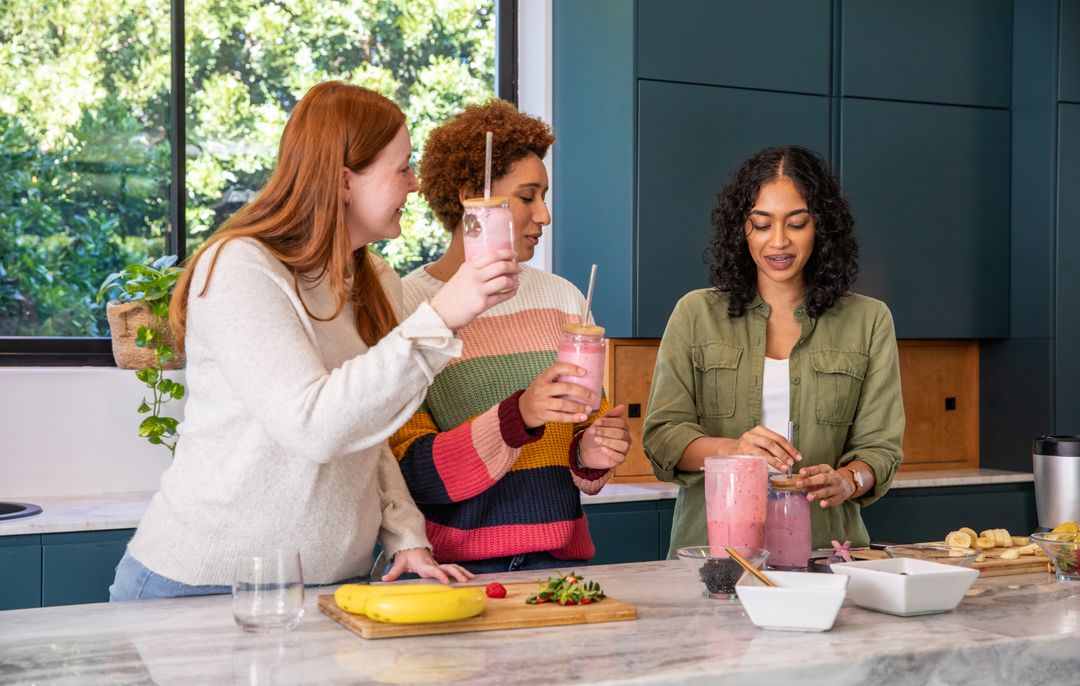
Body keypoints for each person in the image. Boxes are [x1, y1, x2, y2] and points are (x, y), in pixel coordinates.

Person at [110, 81, 520, 600]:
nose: (414, 184)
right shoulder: (242, 267)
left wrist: (404, 534)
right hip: (203, 583)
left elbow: (367, 430)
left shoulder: (376, 281)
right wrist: (439, 317)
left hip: (333, 583)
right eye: (402, 167)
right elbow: (313, 425)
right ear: (346, 180)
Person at [388, 99, 632, 574]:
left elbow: (585, 438)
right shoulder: (405, 307)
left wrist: (594, 451)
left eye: (544, 196)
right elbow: (413, 473)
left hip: (557, 568)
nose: (544, 215)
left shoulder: (563, 299)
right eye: (527, 196)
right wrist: (518, 415)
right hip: (453, 573)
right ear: (468, 196)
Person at [642, 145, 904, 554]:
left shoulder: (868, 320)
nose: (778, 242)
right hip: (714, 553)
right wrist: (733, 450)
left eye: (796, 224)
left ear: (821, 228)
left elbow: (880, 449)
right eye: (761, 225)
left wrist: (848, 479)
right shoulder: (695, 314)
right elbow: (662, 437)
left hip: (824, 551)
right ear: (740, 228)